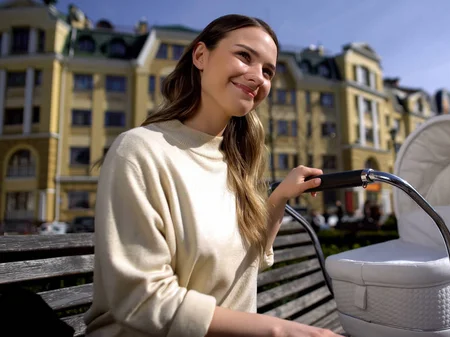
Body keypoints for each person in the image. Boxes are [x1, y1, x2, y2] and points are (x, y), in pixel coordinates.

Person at [83, 14, 343, 337]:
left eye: (268, 71)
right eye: (244, 56)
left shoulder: (236, 161)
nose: (258, 77)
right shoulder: (139, 151)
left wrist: (279, 197)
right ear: (201, 56)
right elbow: (142, 299)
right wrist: (280, 330)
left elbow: (245, 263)